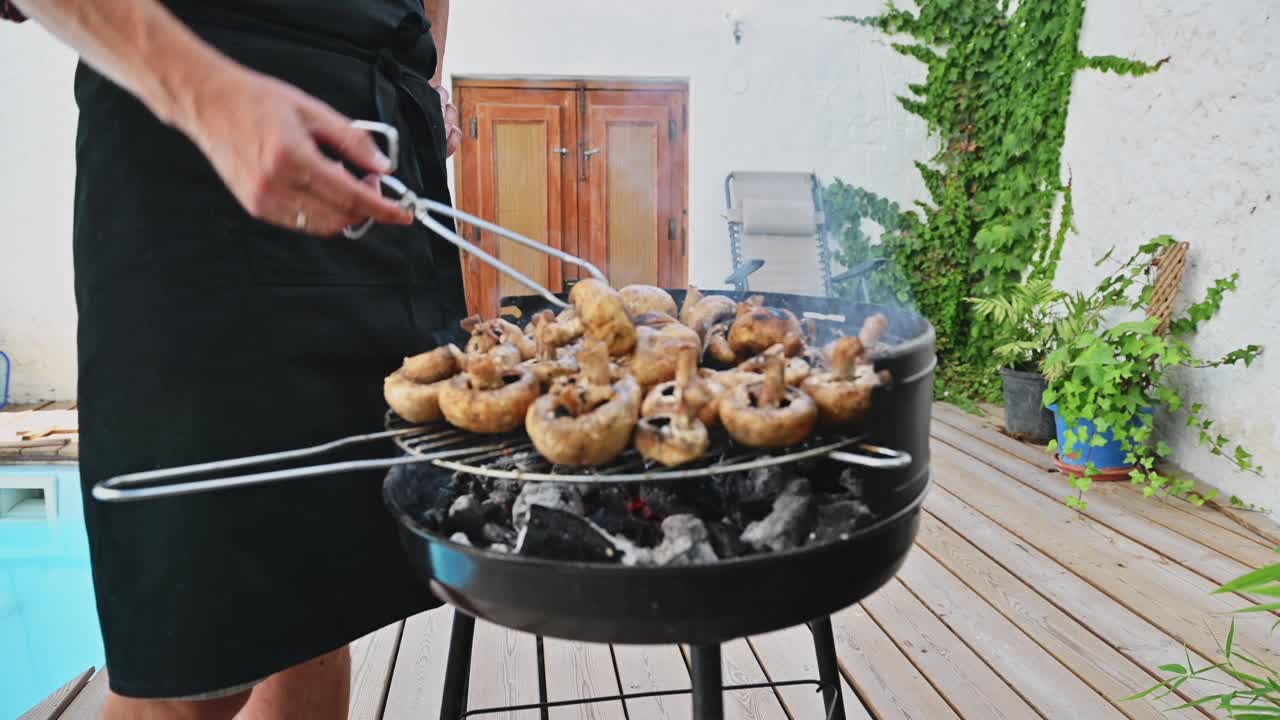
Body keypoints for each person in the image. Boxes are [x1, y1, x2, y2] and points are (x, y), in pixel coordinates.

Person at [4, 1, 467, 718]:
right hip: (191, 127)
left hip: (375, 130)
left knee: (323, 609)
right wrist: (208, 95)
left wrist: (431, 66)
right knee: (190, 670)